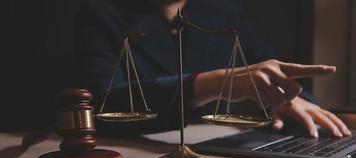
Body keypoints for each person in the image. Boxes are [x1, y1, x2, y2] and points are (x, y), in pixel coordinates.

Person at [76, 0, 350, 138]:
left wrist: (285, 98)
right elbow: (99, 107)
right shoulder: (102, 13)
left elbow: (269, 70)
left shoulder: (223, 11)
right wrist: (215, 83)